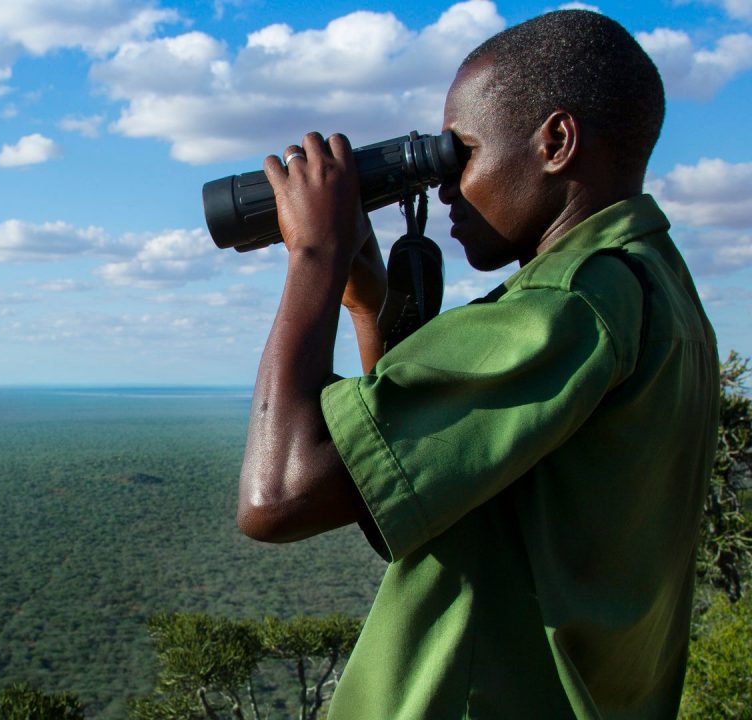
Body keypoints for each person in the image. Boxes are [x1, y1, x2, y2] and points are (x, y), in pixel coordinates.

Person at [236, 9, 720, 719]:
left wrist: (313, 256)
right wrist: (369, 305)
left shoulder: (570, 304)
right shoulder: (649, 287)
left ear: (556, 142)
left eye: (462, 154)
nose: (444, 188)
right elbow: (422, 476)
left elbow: (276, 496)